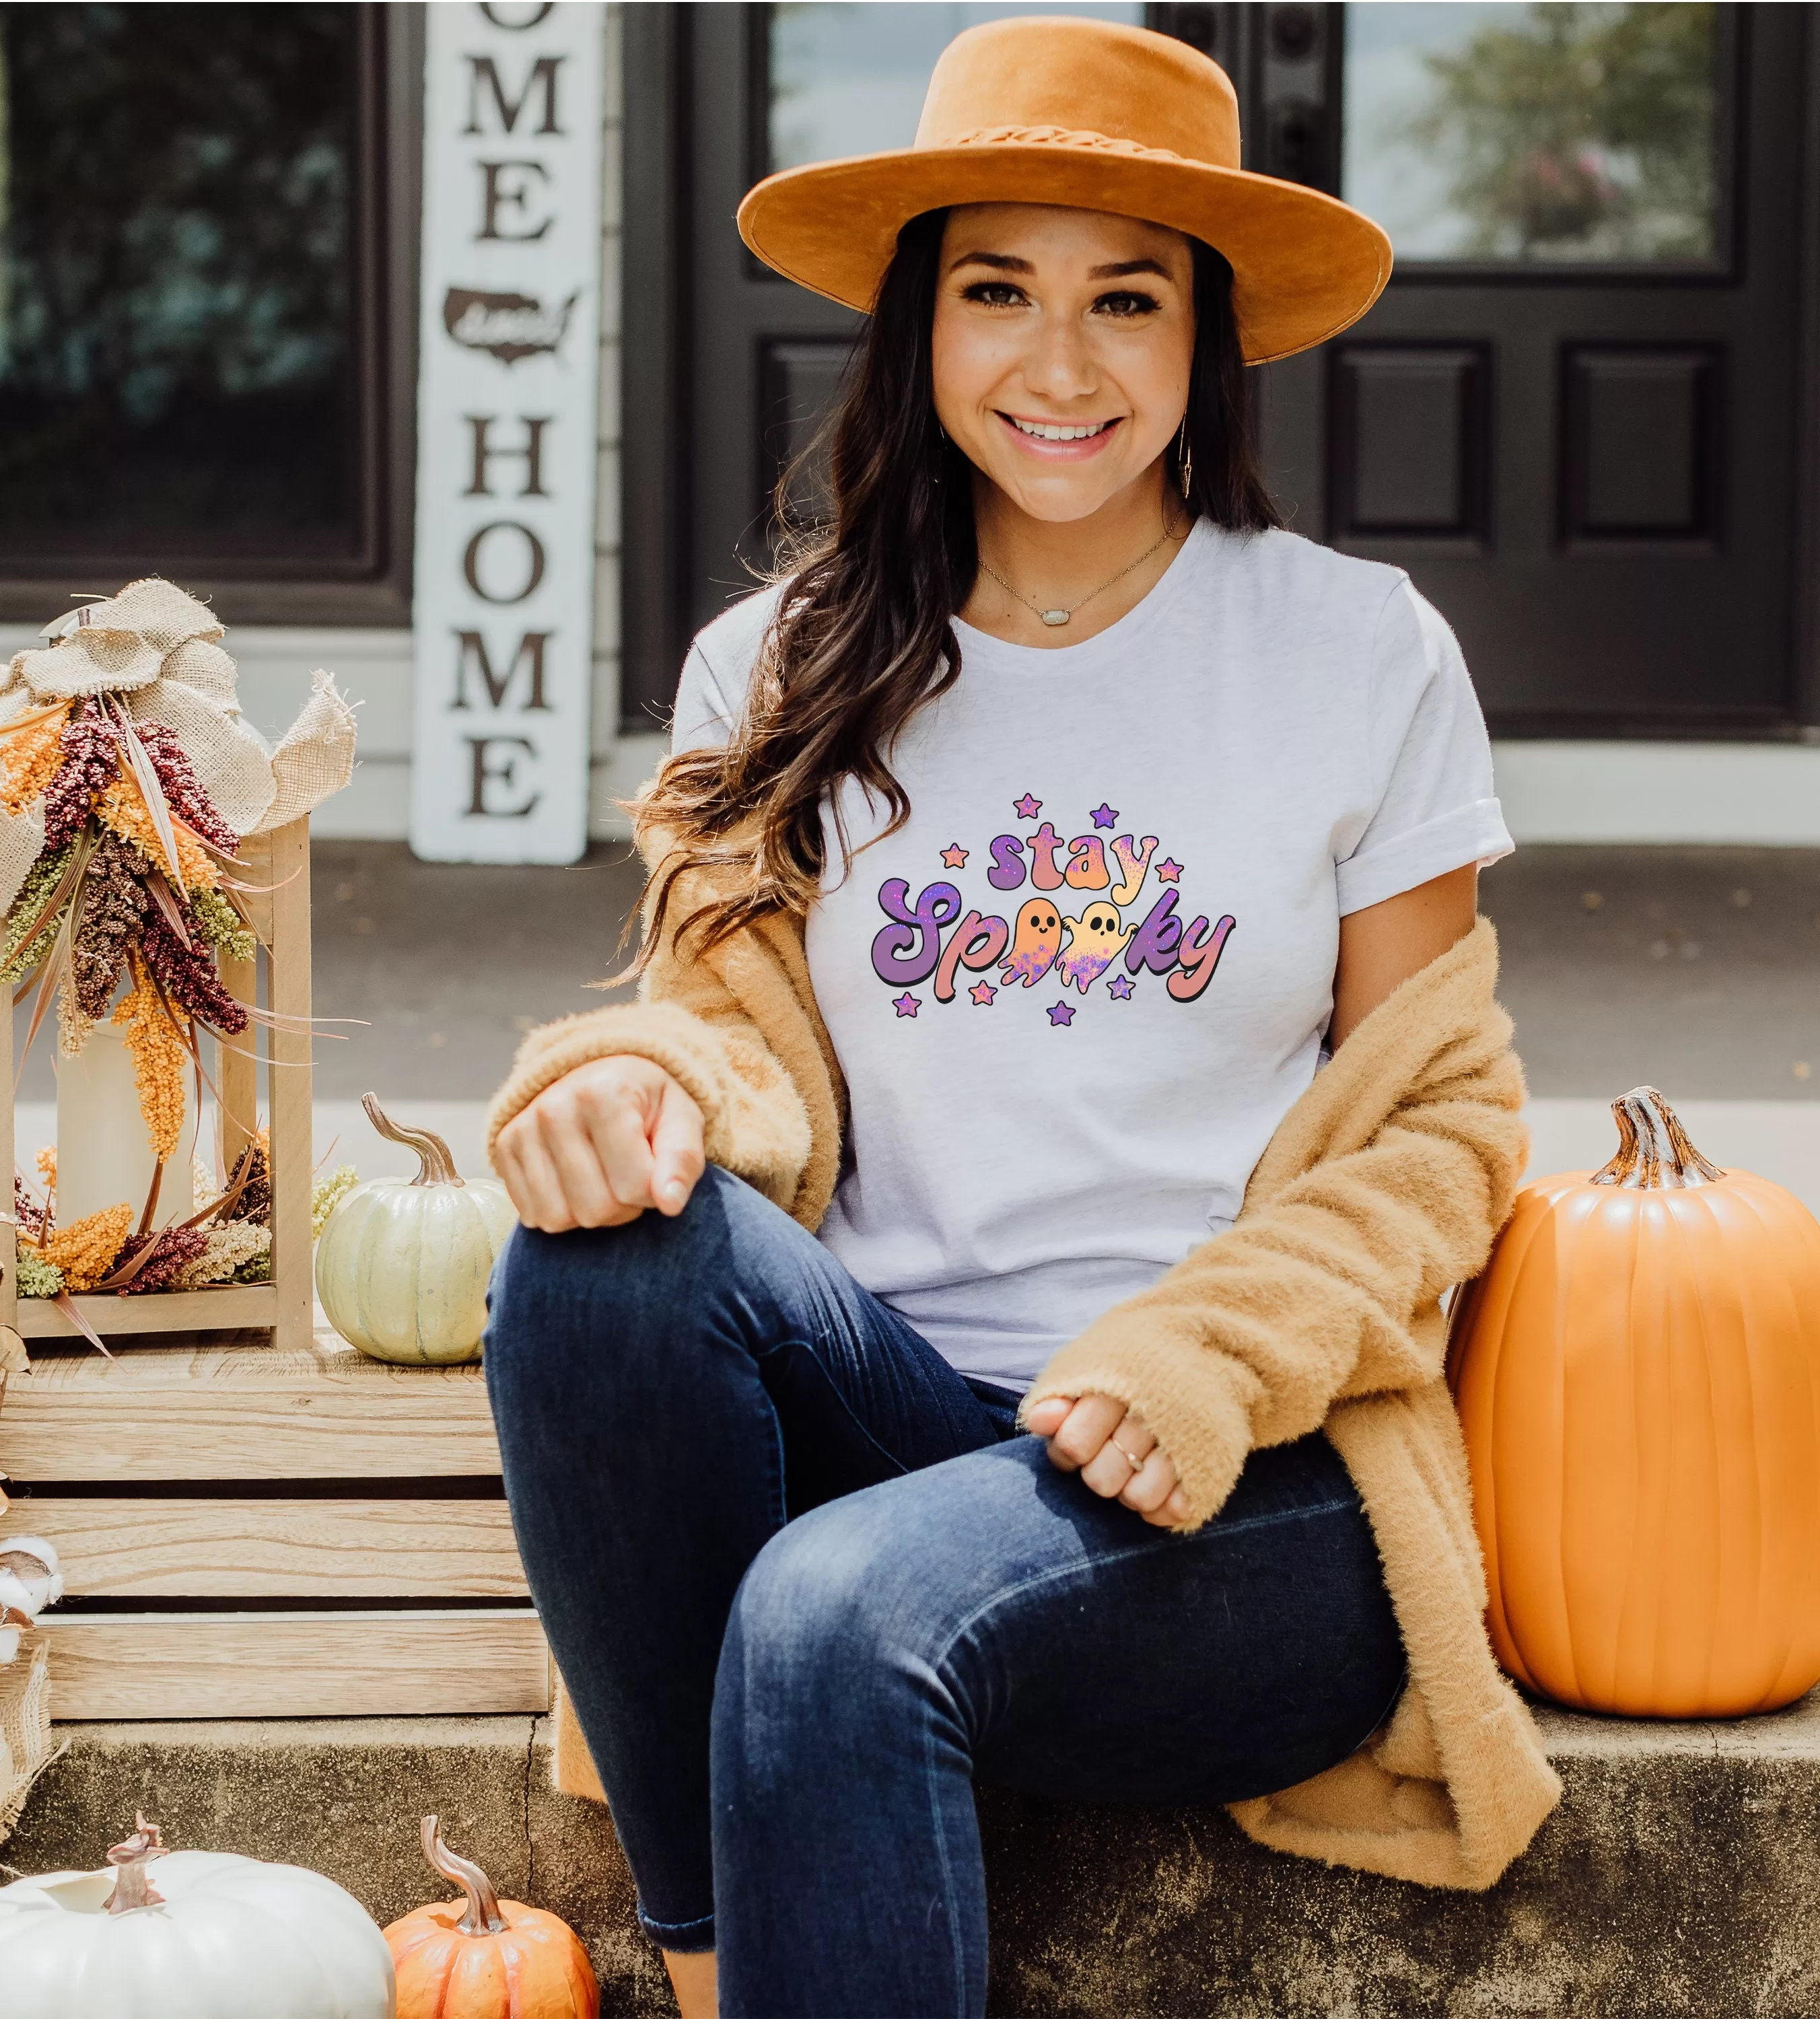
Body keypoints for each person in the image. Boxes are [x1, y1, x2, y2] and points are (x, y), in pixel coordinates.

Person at [483, 19, 1560, 2018]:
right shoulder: (780, 666)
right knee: (595, 1267)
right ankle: (725, 1970)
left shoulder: (1352, 651)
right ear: (919, 324)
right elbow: (723, 1041)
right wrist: (627, 1079)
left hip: (1248, 1481)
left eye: (1123, 299)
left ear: (1203, 336)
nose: (1059, 366)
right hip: (888, 1414)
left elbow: (1438, 1134)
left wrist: (1209, 1352)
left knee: (825, 1610)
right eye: (999, 291)